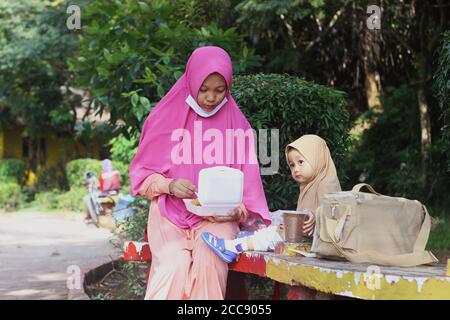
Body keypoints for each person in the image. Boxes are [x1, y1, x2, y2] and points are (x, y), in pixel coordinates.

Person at [129, 46, 271, 300]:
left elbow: (248, 194)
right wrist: (169, 185)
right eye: (203, 89)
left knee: (211, 260)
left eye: (220, 90)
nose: (211, 98)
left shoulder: (237, 124)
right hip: (169, 214)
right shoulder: (164, 117)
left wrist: (238, 211)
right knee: (173, 266)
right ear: (191, 81)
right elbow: (142, 179)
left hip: (217, 219)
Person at [202, 134, 342, 262]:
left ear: (318, 159)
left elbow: (333, 216)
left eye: (301, 162)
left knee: (272, 235)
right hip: (303, 239)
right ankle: (248, 240)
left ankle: (232, 247)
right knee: (274, 231)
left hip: (314, 244)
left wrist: (315, 216)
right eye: (292, 165)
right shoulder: (309, 184)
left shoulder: (326, 184)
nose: (296, 169)